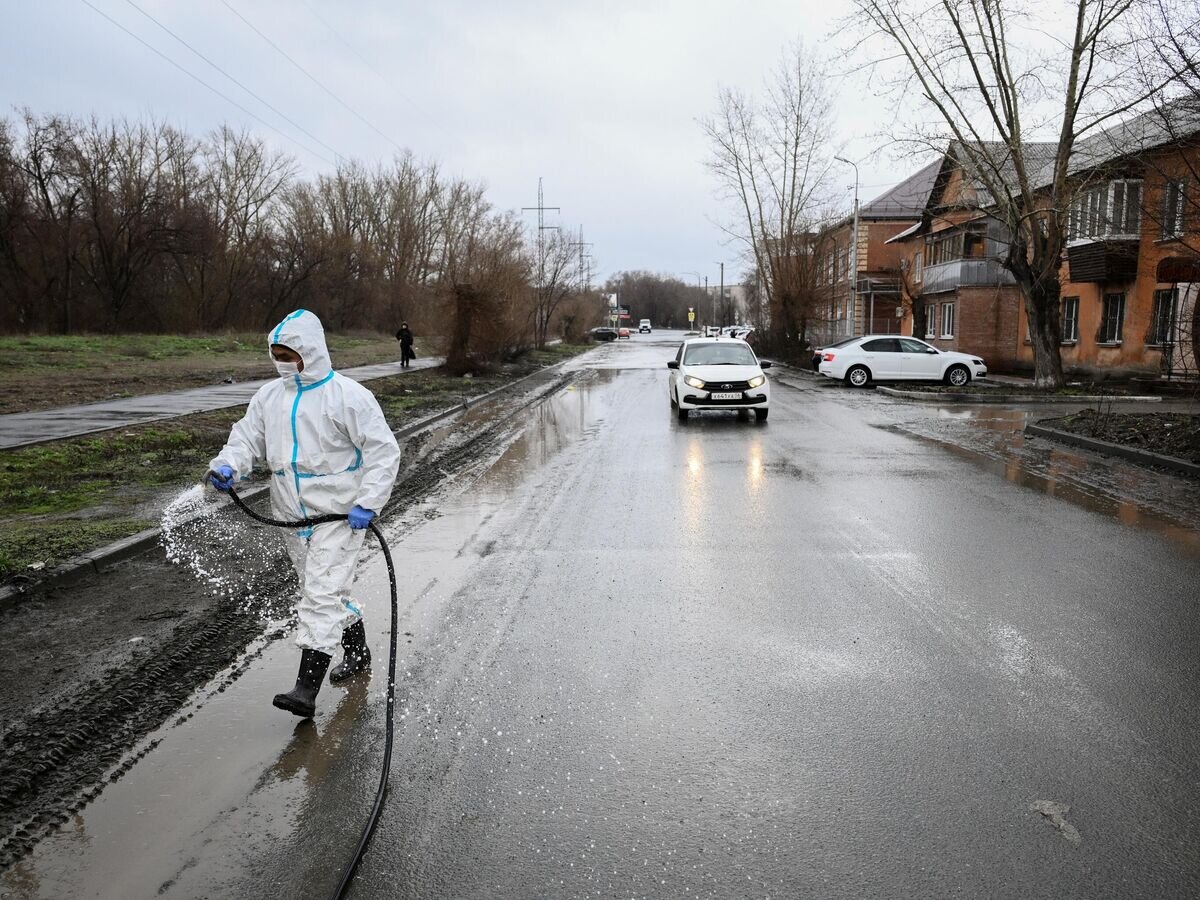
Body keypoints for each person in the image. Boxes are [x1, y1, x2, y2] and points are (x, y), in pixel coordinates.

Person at [207, 309, 401, 718]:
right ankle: (357, 652)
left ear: (309, 351)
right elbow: (246, 437)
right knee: (325, 591)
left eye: (288, 353)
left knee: (321, 595)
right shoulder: (269, 397)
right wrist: (230, 464)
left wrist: (368, 501)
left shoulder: (348, 396)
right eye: (276, 354)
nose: (282, 361)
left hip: (339, 514)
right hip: (290, 514)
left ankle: (305, 690)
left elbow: (383, 451)